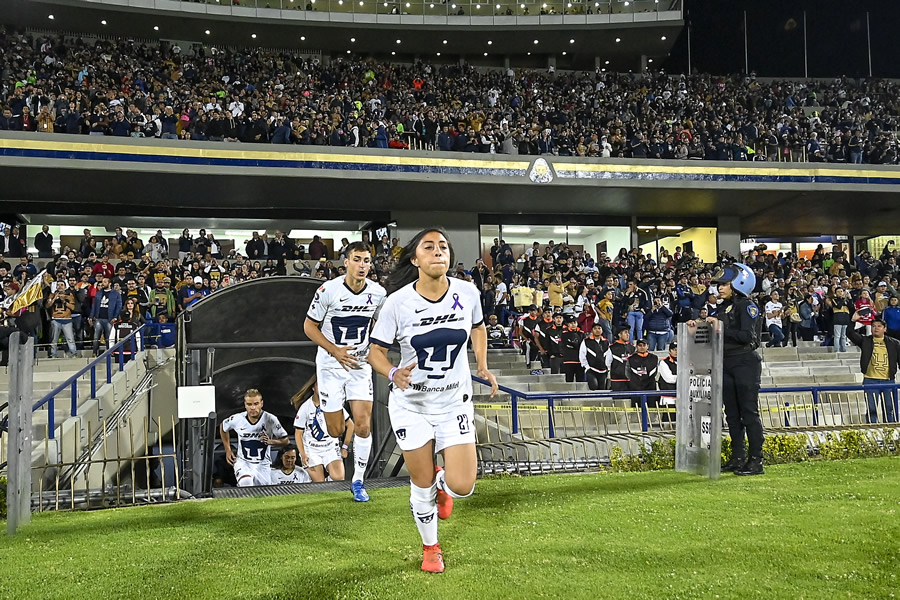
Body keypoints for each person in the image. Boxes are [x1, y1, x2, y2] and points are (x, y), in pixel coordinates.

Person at [368, 228, 498, 574]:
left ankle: (445, 484)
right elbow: (375, 352)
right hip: (412, 405)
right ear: (415, 259)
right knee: (420, 483)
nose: (438, 251)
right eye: (429, 246)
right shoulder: (397, 302)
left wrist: (482, 364)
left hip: (454, 402)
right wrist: (393, 372)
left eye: (443, 246)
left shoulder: (468, 292)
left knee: (463, 486)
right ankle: (431, 548)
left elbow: (478, 327)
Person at [303, 241, 386, 502]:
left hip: (359, 364)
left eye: (366, 261)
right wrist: (335, 350)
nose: (362, 265)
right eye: (357, 259)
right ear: (346, 262)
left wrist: (375, 350)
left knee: (363, 425)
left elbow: (382, 327)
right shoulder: (328, 290)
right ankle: (338, 421)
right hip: (330, 364)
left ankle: (358, 481)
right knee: (336, 430)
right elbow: (309, 326)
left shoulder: (378, 293)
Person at [694, 263, 764, 476]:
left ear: (738, 283)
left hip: (745, 363)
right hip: (726, 362)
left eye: (724, 284)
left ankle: (756, 460)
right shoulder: (723, 308)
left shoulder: (747, 306)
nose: (720, 288)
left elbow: (748, 337)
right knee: (732, 414)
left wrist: (720, 327)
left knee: (749, 413)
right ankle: (738, 457)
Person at [219, 388, 289, 487]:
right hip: (244, 462)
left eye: (256, 404)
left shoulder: (270, 419)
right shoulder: (237, 419)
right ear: (245, 405)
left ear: (262, 404)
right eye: (249, 404)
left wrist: (270, 441)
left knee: (262, 493)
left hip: (263, 464)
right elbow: (223, 427)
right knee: (246, 483)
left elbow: (285, 441)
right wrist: (228, 449)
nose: (252, 408)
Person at [291, 377, 355, 482]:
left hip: (330, 447)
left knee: (339, 479)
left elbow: (351, 425)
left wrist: (344, 447)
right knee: (319, 483)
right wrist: (303, 455)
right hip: (312, 450)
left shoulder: (333, 404)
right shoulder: (305, 407)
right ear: (313, 388)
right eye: (319, 385)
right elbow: (298, 434)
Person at [848, 315, 899, 423]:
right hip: (870, 380)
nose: (876, 328)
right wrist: (852, 321)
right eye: (874, 326)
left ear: (885, 329)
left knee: (890, 409)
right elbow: (850, 333)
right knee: (872, 409)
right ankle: (873, 432)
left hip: (888, 381)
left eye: (879, 326)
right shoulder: (865, 341)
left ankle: (890, 432)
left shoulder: (894, 343)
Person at [89, 276, 122, 357]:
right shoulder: (99, 293)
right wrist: (91, 316)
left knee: (109, 337)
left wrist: (115, 317)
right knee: (96, 336)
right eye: (102, 282)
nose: (102, 283)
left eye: (104, 282)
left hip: (109, 318)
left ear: (109, 283)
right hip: (99, 318)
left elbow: (119, 306)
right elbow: (94, 305)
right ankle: (94, 352)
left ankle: (109, 352)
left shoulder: (116, 294)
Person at [46, 280, 77, 358]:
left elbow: (73, 307)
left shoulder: (69, 295)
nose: (60, 286)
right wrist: (54, 299)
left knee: (70, 339)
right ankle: (53, 354)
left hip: (67, 320)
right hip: (55, 319)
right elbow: (47, 306)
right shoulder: (52, 295)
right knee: (54, 339)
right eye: (58, 285)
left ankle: (73, 353)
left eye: (61, 285)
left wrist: (64, 301)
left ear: (65, 287)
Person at [626, 339, 659, 411]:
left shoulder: (654, 358)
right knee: (636, 412)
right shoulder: (631, 359)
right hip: (636, 389)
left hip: (651, 388)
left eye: (644, 345)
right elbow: (627, 373)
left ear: (648, 346)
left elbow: (656, 372)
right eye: (640, 345)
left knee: (651, 410)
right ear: (636, 347)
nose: (642, 347)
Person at [579, 322, 610, 390]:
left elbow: (609, 356)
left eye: (599, 328)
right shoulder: (586, 341)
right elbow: (582, 355)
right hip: (591, 370)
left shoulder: (606, 342)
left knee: (602, 389)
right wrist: (587, 367)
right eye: (595, 328)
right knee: (594, 386)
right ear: (592, 330)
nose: (597, 330)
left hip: (603, 370)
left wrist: (608, 367)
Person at [607, 326, 635, 394]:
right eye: (625, 332)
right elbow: (607, 363)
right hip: (617, 381)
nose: (628, 334)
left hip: (630, 381)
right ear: (619, 335)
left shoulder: (632, 348)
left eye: (628, 333)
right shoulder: (612, 348)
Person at [560, 315, 585, 382]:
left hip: (579, 361)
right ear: (568, 324)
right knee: (569, 380)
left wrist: (573, 345)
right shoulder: (564, 334)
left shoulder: (582, 334)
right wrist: (576, 345)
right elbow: (564, 345)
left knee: (580, 381)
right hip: (568, 360)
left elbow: (582, 346)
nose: (573, 324)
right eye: (571, 323)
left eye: (574, 322)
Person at [657, 342, 678, 422]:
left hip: (680, 397)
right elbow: (669, 379)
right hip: (668, 398)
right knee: (668, 421)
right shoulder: (663, 362)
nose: (676, 351)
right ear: (669, 351)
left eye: (678, 349)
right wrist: (682, 377)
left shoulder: (684, 362)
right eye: (674, 349)